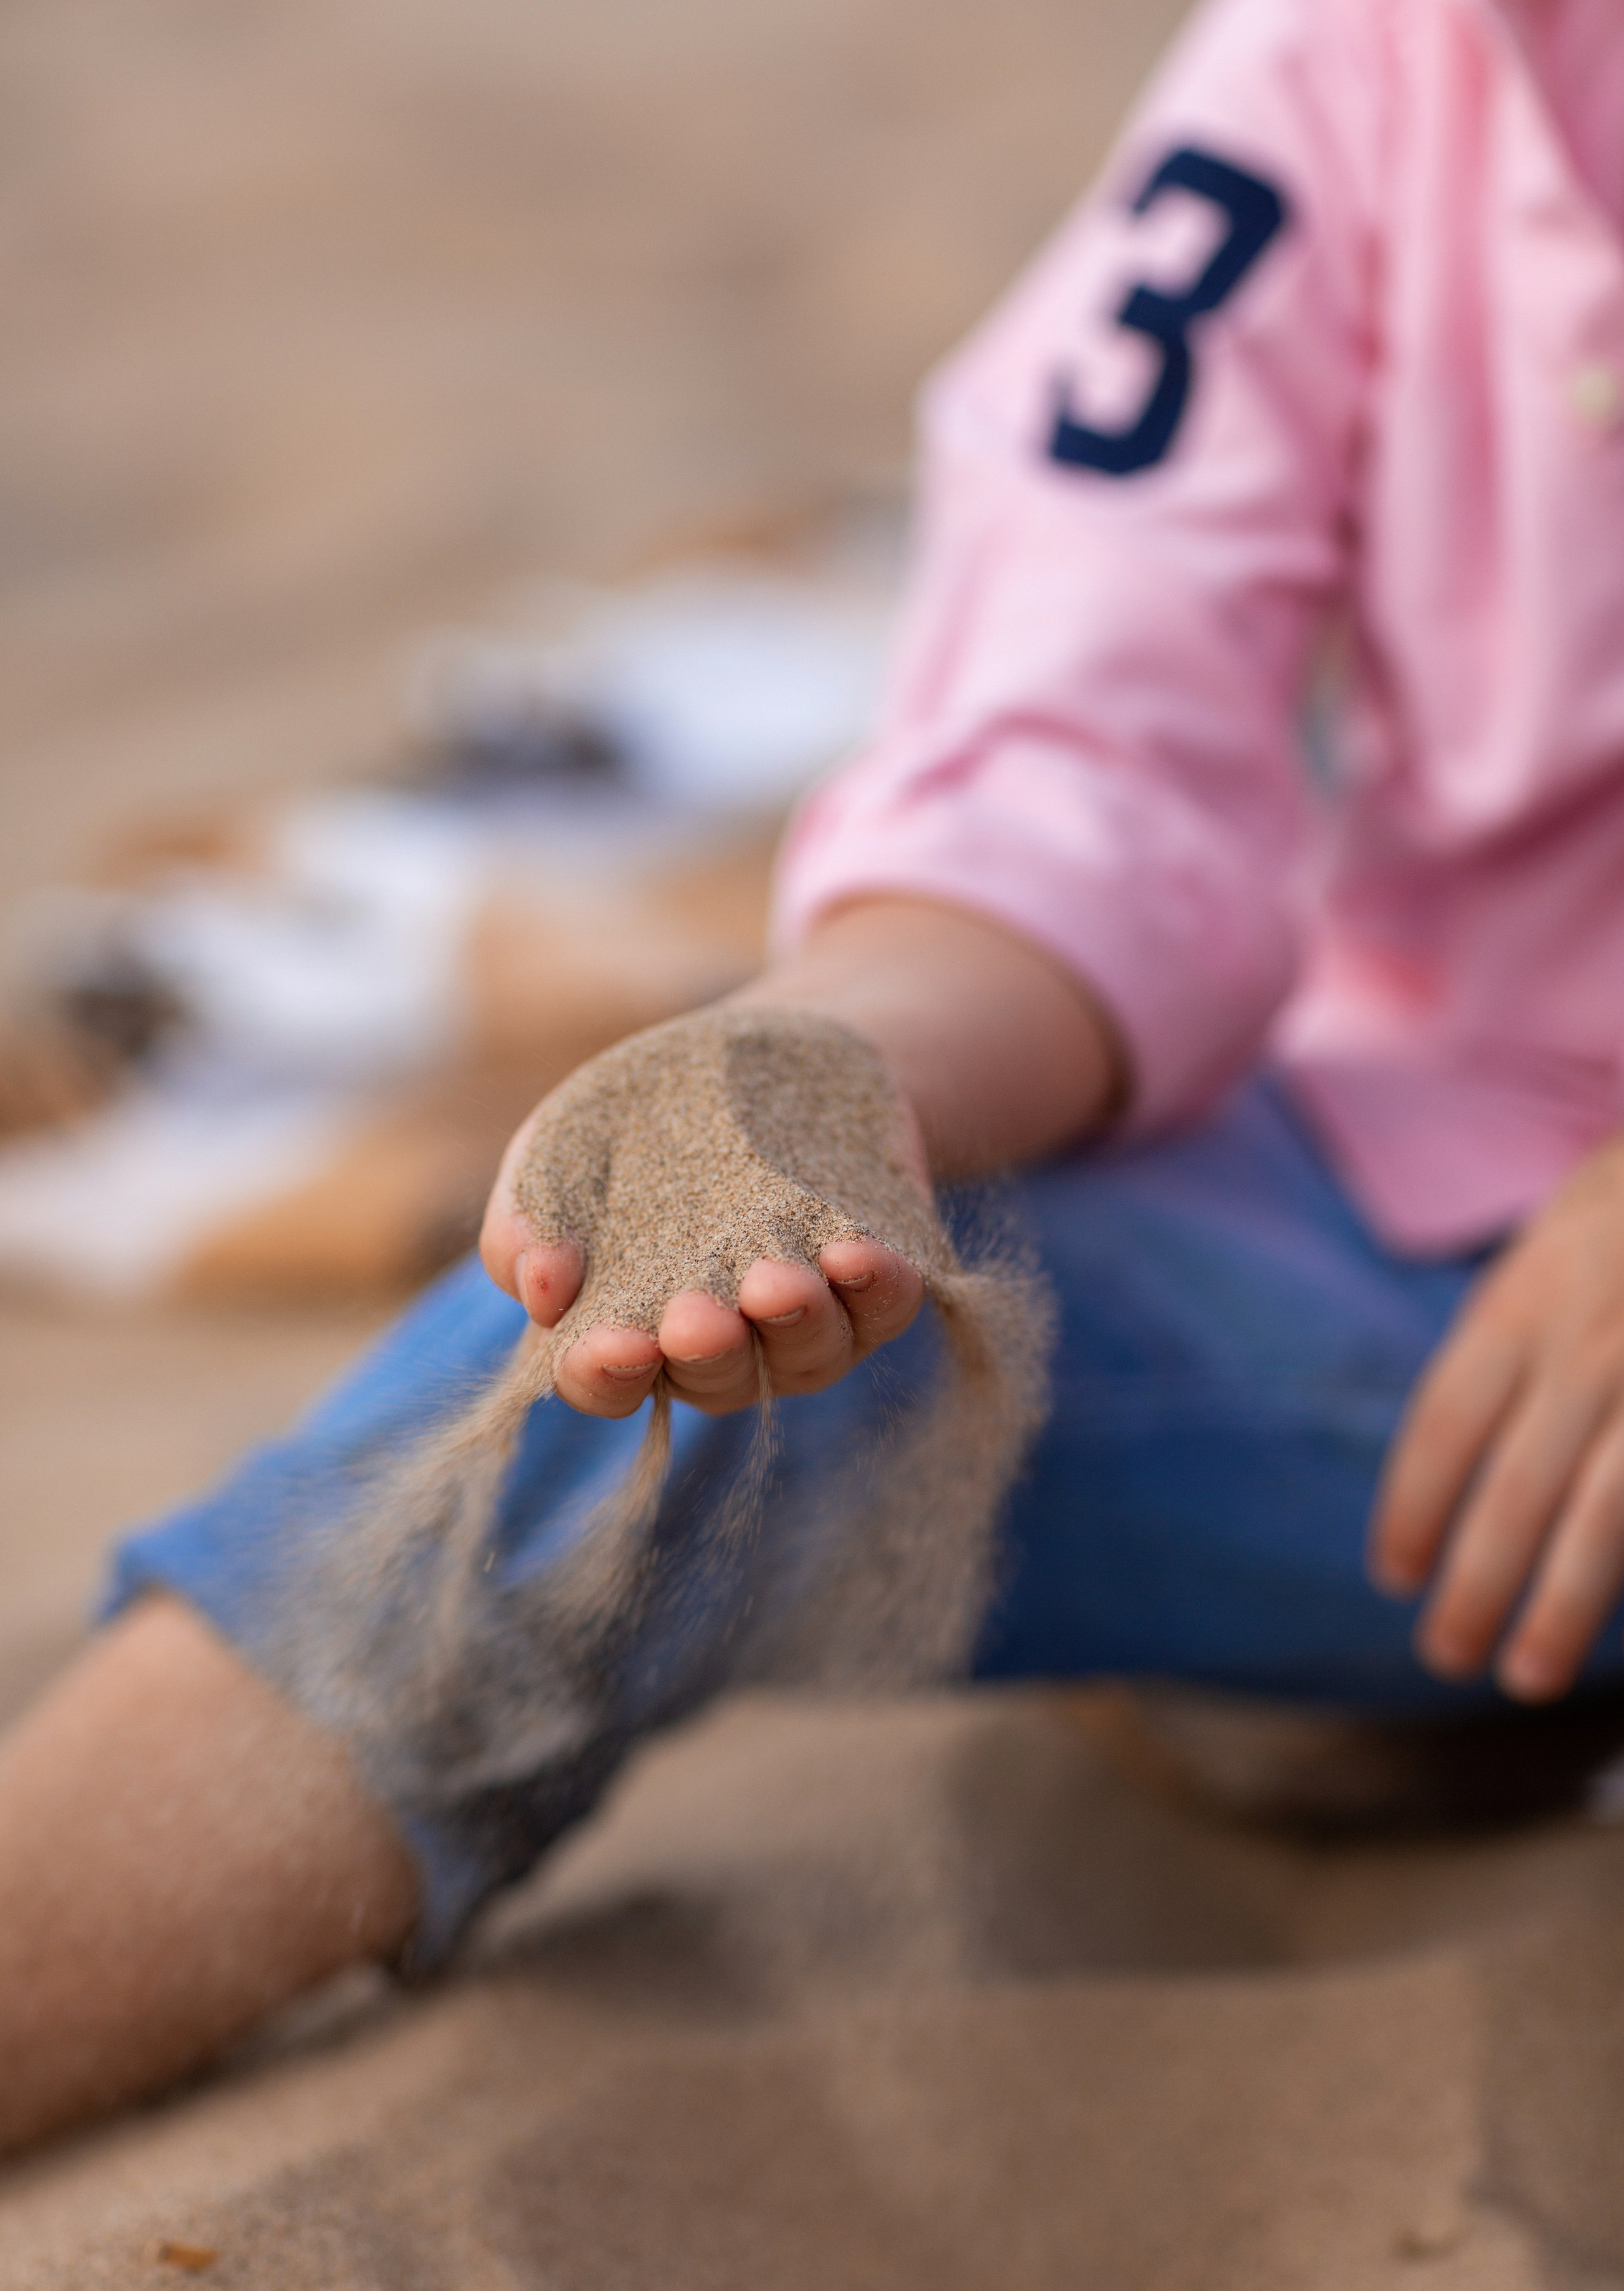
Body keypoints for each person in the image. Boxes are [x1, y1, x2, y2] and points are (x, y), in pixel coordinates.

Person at [6, 0, 1624, 2152]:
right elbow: (1089, 748)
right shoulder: (1361, 69)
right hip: (1427, 1260)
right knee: (647, 1370)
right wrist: (837, 1064)